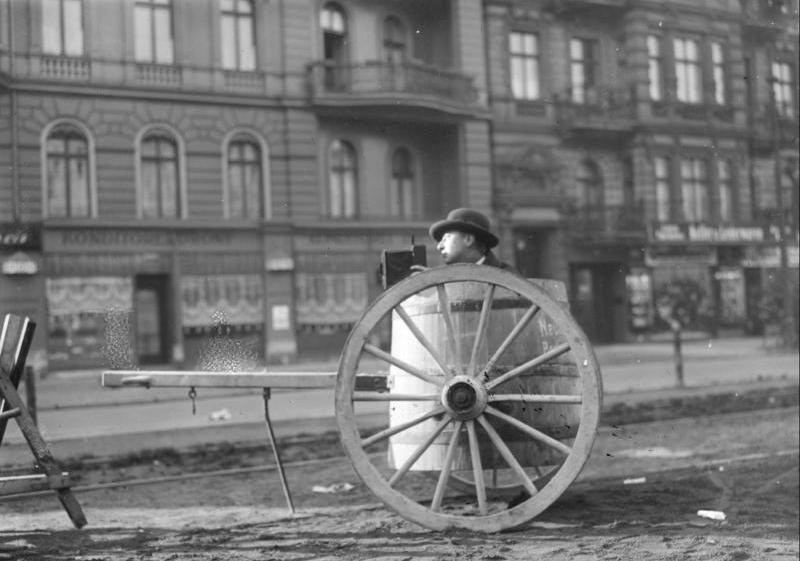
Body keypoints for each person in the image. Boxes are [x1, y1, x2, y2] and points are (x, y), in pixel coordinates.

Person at [415, 207, 514, 270]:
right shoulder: (443, 277)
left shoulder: (508, 277)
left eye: (446, 238)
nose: (439, 246)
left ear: (468, 240)